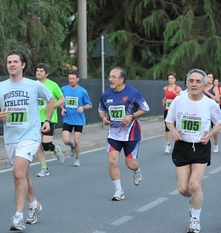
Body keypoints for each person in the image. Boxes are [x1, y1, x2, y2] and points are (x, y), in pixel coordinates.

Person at [0, 50, 54, 231]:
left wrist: (47, 120)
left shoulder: (34, 85)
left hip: (30, 136)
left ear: (23, 65)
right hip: (11, 138)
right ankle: (34, 205)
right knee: (22, 175)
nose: (12, 64)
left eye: (15, 61)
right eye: (9, 62)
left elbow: (51, 99)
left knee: (17, 174)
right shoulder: (0, 87)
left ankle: (18, 217)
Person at [165, 68, 221, 233]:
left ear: (204, 84)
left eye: (198, 81)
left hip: (201, 146)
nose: (194, 84)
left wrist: (210, 134)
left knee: (195, 185)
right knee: (184, 189)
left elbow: (218, 123)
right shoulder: (178, 100)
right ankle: (193, 202)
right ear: (187, 83)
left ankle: (195, 219)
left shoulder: (210, 104)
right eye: (191, 81)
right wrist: (174, 131)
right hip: (182, 146)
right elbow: (169, 121)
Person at [98, 67, 150, 201]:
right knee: (112, 161)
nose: (111, 79)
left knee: (130, 164)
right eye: (110, 76)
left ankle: (136, 171)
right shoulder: (106, 95)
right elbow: (101, 110)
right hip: (114, 134)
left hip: (131, 133)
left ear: (121, 79)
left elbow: (145, 108)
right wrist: (104, 118)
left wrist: (131, 116)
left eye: (114, 77)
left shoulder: (133, 93)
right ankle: (118, 191)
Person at [35, 63, 65, 177]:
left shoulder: (52, 85)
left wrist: (53, 106)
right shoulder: (33, 85)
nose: (38, 73)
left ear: (46, 73)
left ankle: (55, 149)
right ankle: (44, 168)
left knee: (46, 145)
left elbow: (62, 99)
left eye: (41, 71)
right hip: (35, 119)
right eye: (37, 71)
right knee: (37, 144)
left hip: (49, 118)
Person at [60, 70, 92, 167]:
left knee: (77, 141)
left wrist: (83, 107)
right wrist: (62, 109)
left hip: (79, 120)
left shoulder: (83, 91)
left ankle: (77, 159)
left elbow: (90, 105)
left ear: (78, 79)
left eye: (73, 78)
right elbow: (60, 101)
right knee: (66, 140)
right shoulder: (64, 89)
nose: (71, 80)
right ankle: (72, 146)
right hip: (68, 119)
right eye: (70, 78)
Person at [162, 72, 182, 154]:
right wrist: (163, 101)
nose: (170, 80)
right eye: (169, 78)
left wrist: (176, 94)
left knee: (177, 127)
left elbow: (182, 99)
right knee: (167, 127)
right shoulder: (165, 88)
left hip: (176, 111)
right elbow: (165, 98)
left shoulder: (178, 88)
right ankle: (167, 145)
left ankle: (179, 144)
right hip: (167, 110)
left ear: (175, 79)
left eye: (172, 78)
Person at [203, 73, 220, 153]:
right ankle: (203, 141)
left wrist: (208, 93)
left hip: (213, 111)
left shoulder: (214, 88)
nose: (211, 79)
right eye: (209, 77)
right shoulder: (202, 87)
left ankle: (216, 144)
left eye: (212, 77)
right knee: (204, 127)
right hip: (203, 110)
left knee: (214, 128)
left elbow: (217, 99)